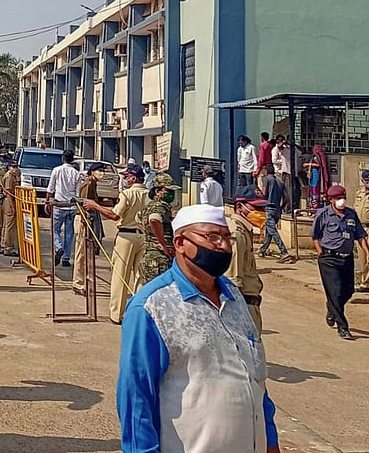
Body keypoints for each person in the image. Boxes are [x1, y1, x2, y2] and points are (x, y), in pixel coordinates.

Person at [118, 204, 280, 453]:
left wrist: (270, 440)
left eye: (227, 238)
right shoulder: (152, 306)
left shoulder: (234, 296)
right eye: (212, 237)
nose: (224, 246)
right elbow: (136, 395)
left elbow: (254, 376)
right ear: (181, 243)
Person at [82, 167, 151, 324]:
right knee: (140, 277)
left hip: (126, 236)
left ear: (134, 178)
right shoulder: (149, 195)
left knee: (120, 276)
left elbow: (114, 215)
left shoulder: (127, 194)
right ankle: (139, 313)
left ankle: (116, 314)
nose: (126, 179)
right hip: (144, 237)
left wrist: (95, 206)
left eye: (128, 177)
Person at [311, 185, 369, 340]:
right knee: (335, 291)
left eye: (343, 197)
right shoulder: (323, 214)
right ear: (331, 200)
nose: (341, 201)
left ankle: (332, 309)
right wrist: (320, 252)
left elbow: (360, 236)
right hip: (328, 258)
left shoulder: (351, 214)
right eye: (338, 198)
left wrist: (368, 254)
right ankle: (343, 327)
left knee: (347, 291)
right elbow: (315, 235)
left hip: (346, 258)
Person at [227, 198, 268, 333]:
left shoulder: (245, 230)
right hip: (244, 304)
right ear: (239, 206)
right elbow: (233, 279)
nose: (261, 213)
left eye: (263, 208)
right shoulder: (237, 233)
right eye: (256, 208)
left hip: (250, 303)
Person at [137, 173, 180, 285]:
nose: (171, 194)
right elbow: (154, 220)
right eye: (168, 191)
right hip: (159, 259)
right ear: (157, 191)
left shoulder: (150, 206)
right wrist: (163, 244)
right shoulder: (159, 206)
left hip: (150, 256)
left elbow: (139, 220)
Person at [72, 163, 105, 293]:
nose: (102, 173)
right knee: (81, 253)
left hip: (91, 219)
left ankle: (85, 281)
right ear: (92, 172)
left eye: (103, 171)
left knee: (88, 252)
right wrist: (85, 220)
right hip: (84, 220)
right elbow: (82, 202)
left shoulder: (94, 184)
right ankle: (78, 283)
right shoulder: (87, 184)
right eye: (99, 170)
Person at [46, 150, 81, 267]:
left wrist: (47, 202)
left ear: (63, 158)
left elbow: (50, 188)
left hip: (59, 205)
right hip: (71, 206)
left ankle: (58, 247)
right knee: (69, 233)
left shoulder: (57, 170)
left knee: (54, 230)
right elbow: (77, 193)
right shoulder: (76, 173)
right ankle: (66, 258)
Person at [259, 164, 295, 263]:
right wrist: (281, 207)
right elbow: (287, 198)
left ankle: (284, 252)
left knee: (273, 231)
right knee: (269, 231)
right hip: (277, 209)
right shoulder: (280, 182)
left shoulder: (266, 179)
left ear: (266, 171)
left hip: (269, 207)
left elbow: (264, 193)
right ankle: (263, 250)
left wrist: (258, 196)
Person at [0, 160, 21, 257]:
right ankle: (8, 248)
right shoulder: (9, 176)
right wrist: (13, 207)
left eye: (16, 166)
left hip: (10, 200)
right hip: (9, 201)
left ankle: (4, 245)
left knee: (6, 224)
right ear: (9, 167)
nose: (15, 168)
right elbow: (8, 192)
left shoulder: (15, 175)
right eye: (13, 166)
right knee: (9, 226)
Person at [272, 135, 295, 213]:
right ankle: (283, 208)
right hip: (279, 173)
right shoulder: (275, 150)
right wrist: (282, 161)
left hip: (286, 172)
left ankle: (287, 208)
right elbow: (274, 160)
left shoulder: (286, 149)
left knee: (287, 192)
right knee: (282, 192)